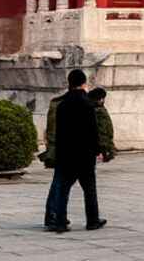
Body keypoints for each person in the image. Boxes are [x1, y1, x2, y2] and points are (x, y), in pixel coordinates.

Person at [49, 69, 105, 233]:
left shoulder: (62, 105)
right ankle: (92, 220)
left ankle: (60, 221)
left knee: (63, 189)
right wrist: (98, 150)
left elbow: (59, 132)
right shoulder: (88, 104)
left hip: (66, 153)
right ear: (84, 83)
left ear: (69, 83)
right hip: (85, 154)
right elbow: (93, 131)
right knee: (89, 189)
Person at [40, 85, 69, 230]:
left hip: (63, 149)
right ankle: (53, 216)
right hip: (65, 150)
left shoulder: (57, 103)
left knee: (61, 182)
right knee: (60, 182)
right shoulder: (61, 104)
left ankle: (55, 215)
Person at [87, 87, 116, 163]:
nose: (102, 100)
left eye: (103, 98)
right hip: (101, 143)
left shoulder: (100, 108)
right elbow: (99, 130)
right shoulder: (95, 110)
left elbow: (107, 126)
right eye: (100, 99)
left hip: (105, 141)